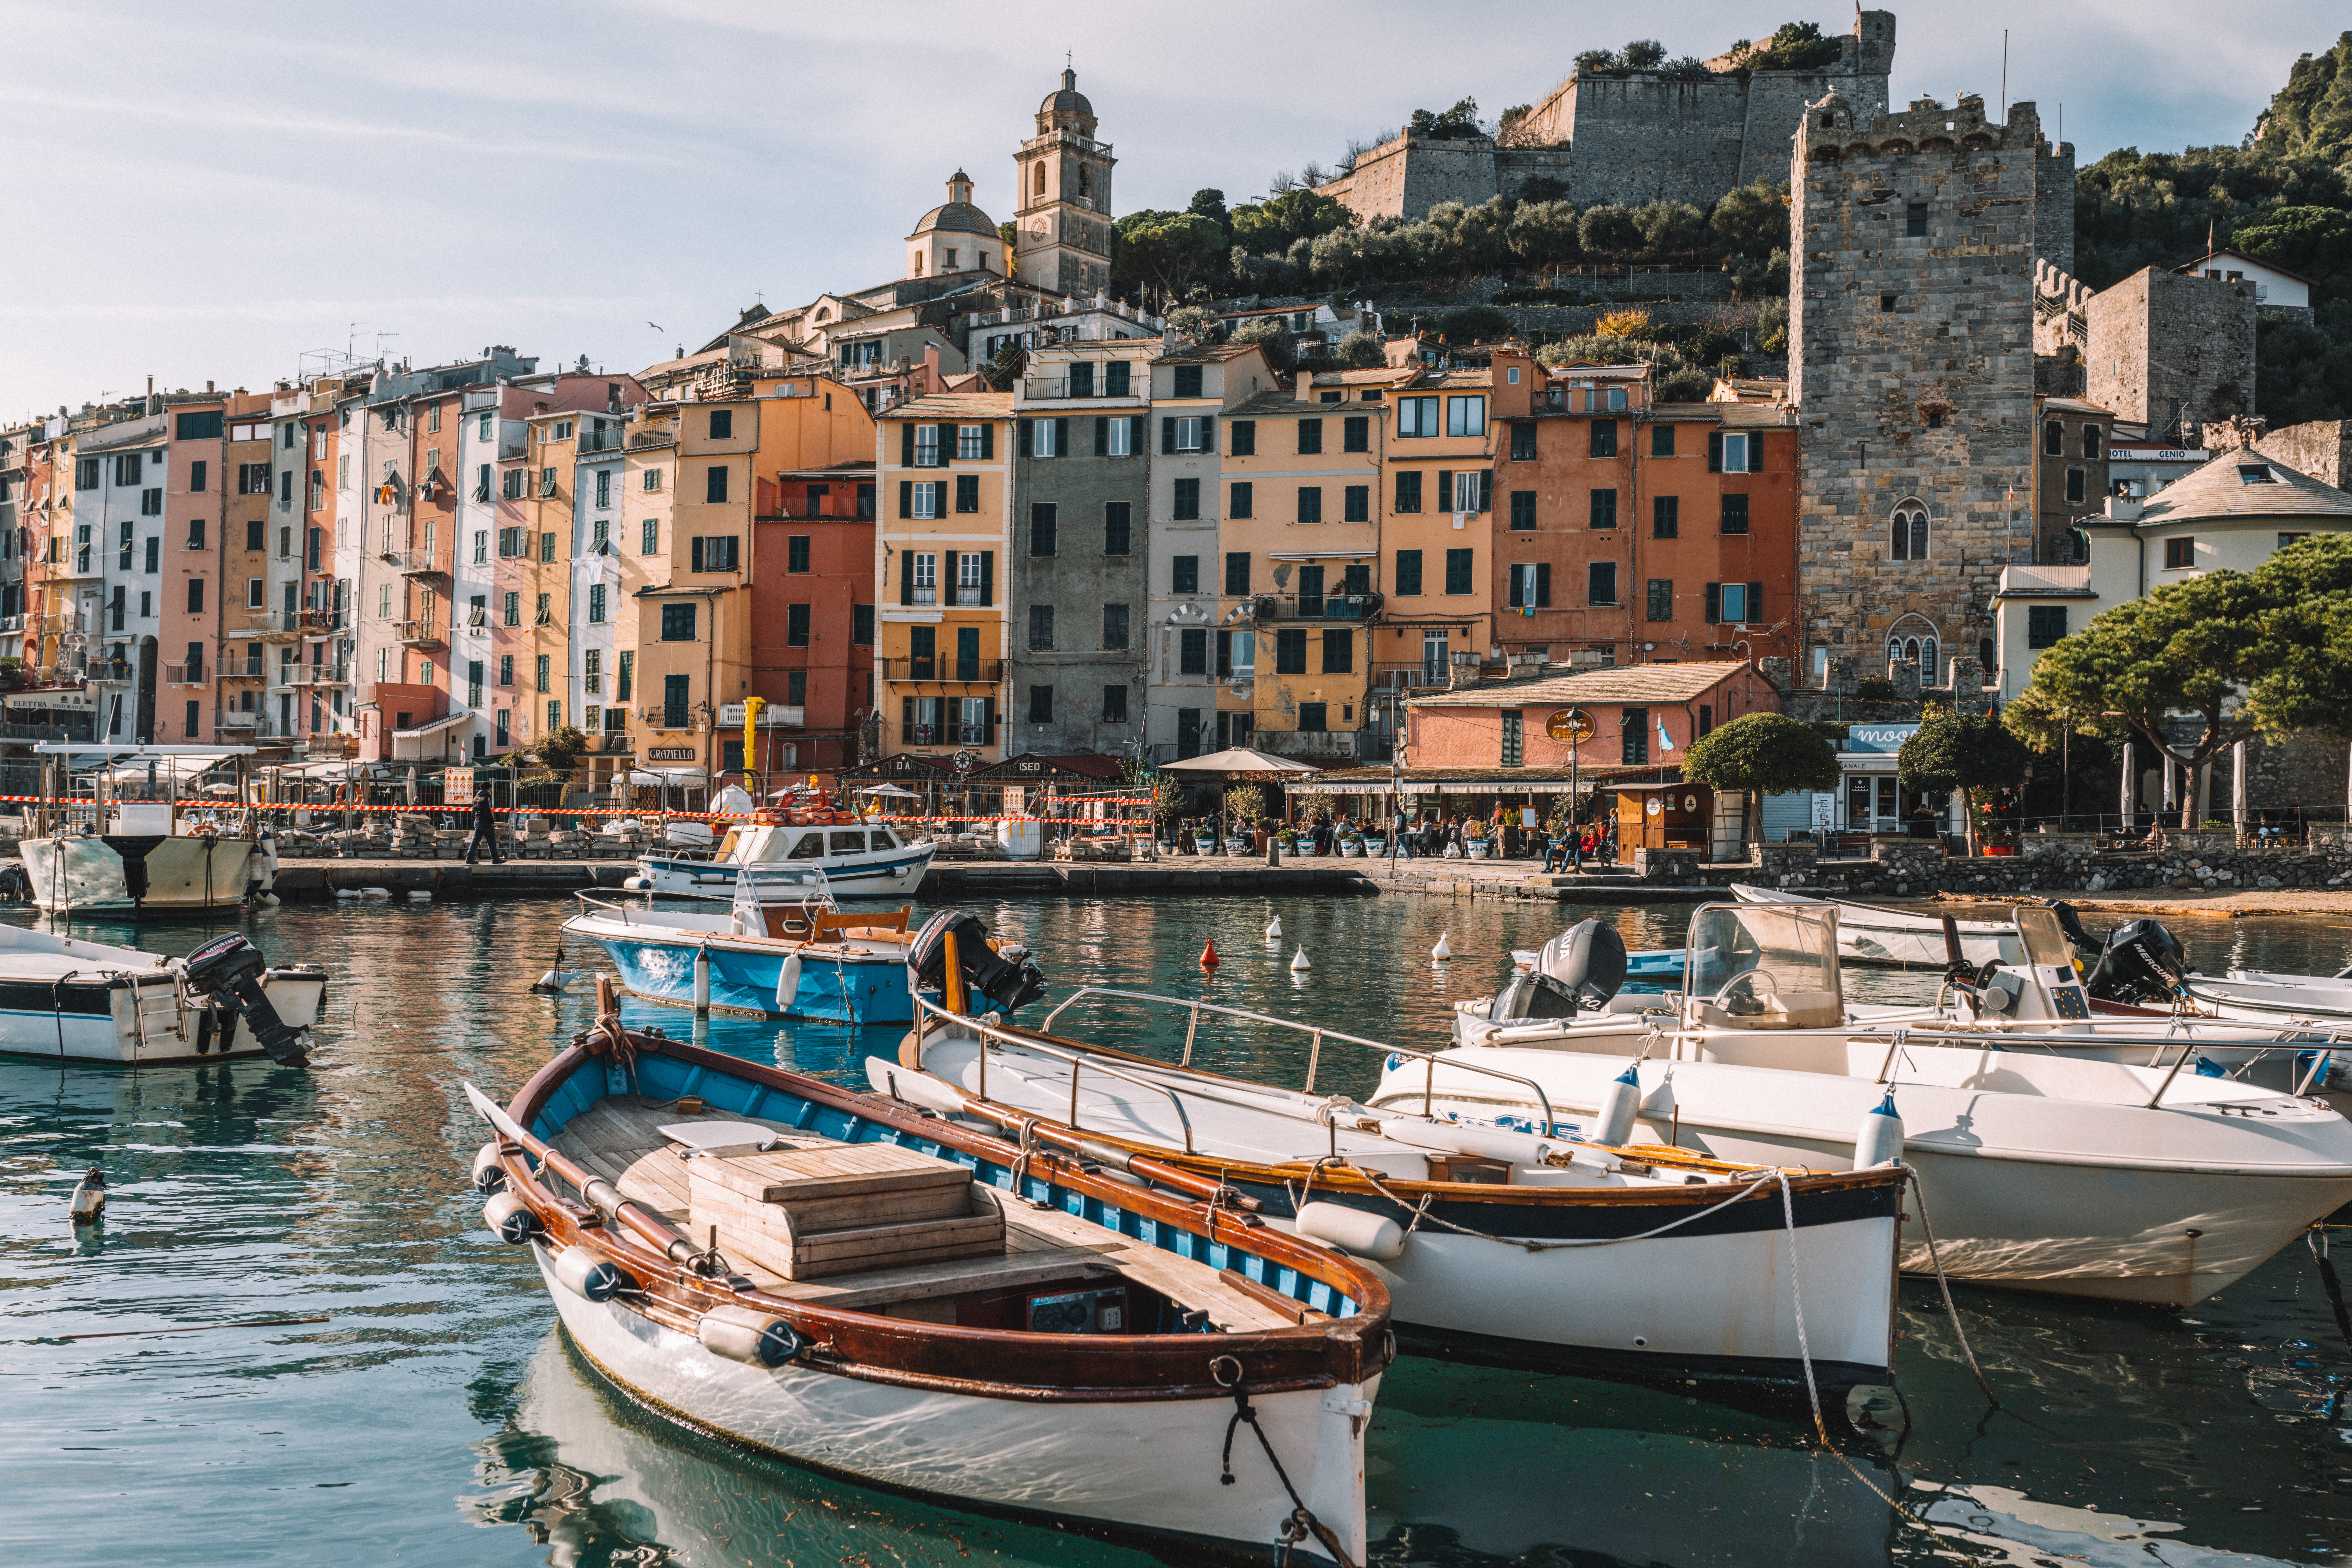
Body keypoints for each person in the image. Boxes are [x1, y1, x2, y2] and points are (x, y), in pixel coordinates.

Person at [463, 781, 505, 865]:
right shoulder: (486, 798)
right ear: (488, 789)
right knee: (491, 841)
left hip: (477, 821)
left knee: (475, 841)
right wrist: (492, 822)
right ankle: (495, 859)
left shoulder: (476, 798)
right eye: (491, 789)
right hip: (485, 822)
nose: (492, 790)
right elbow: (488, 812)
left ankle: (469, 858)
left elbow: (474, 811)